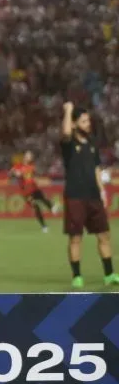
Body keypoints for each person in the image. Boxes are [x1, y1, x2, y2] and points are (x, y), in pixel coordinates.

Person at [60, 102, 115, 289]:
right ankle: (77, 276)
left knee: (104, 235)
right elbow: (66, 132)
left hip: (93, 196)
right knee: (75, 237)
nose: (88, 124)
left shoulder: (92, 144)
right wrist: (68, 111)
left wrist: (102, 190)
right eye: (83, 121)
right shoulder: (68, 144)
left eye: (88, 120)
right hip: (75, 195)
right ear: (75, 124)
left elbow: (96, 168)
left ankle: (109, 274)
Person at [9, 150, 58, 232]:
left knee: (43, 198)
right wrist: (15, 173)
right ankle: (44, 226)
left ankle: (52, 208)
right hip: (26, 193)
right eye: (29, 155)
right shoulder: (18, 166)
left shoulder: (32, 167)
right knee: (36, 207)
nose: (30, 157)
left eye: (31, 156)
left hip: (34, 188)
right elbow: (11, 173)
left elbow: (35, 175)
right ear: (25, 157)